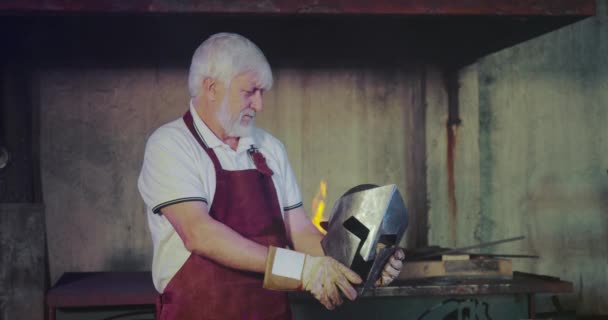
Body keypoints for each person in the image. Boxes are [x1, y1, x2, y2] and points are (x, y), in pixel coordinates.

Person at [137, 32, 405, 320]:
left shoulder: (269, 148)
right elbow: (200, 234)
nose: (259, 105)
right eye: (249, 92)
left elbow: (299, 232)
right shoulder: (171, 145)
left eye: (262, 93)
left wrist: (360, 265)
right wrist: (302, 270)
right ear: (212, 88)